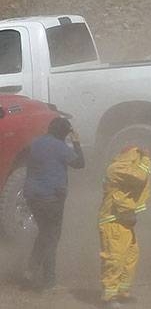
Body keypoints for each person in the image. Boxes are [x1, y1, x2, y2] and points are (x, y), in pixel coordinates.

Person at [23, 117, 84, 292]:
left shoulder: (36, 143)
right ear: (64, 133)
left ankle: (30, 270)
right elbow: (80, 164)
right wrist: (77, 143)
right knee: (51, 237)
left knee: (44, 233)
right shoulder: (61, 147)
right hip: (51, 198)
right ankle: (49, 281)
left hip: (32, 196)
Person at [99, 146, 151, 307]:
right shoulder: (116, 168)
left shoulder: (125, 169)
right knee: (115, 259)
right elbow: (141, 177)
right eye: (136, 156)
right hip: (112, 221)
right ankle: (110, 297)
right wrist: (146, 158)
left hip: (123, 221)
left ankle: (122, 292)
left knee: (130, 256)